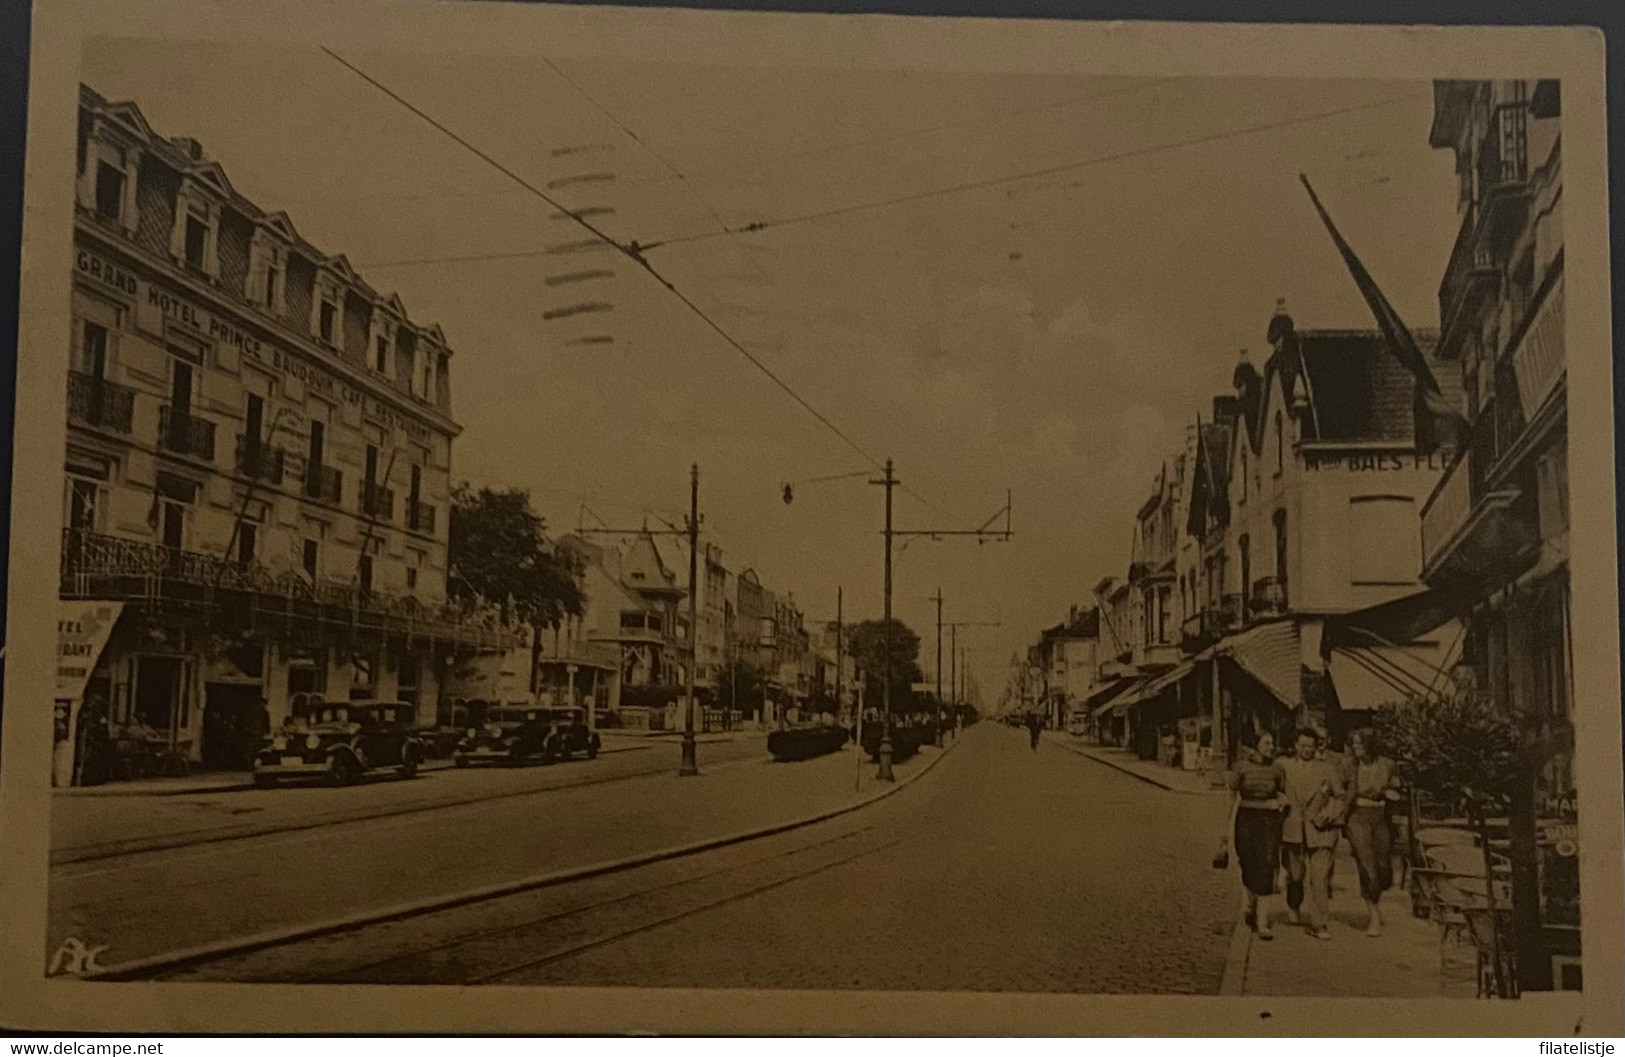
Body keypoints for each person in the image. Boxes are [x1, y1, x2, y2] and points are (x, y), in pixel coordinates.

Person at [1219, 729, 1288, 939]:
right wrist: (1224, 829)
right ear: (1256, 745)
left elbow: (1282, 792)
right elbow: (1231, 798)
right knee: (1248, 862)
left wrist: (1281, 801)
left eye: (1272, 743)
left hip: (1268, 821)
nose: (1271, 747)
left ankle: (1262, 921)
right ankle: (1251, 904)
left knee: (1267, 863)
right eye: (1266, 743)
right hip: (1246, 820)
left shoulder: (1277, 769)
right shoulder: (1241, 768)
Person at [1277, 727, 1344, 940]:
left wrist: (1328, 814)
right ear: (1296, 745)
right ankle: (1294, 903)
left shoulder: (1327, 769)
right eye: (1302, 745)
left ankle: (1320, 925)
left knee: (1319, 879)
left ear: (1317, 747)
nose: (1306, 750)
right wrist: (1280, 800)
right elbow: (1274, 789)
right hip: (1293, 829)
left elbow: (1340, 797)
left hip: (1320, 831)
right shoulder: (1283, 766)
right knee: (1295, 875)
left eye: (1310, 746)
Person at [1340, 728, 1401, 937]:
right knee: (1367, 864)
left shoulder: (1388, 764)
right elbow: (1339, 789)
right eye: (1353, 743)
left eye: (1359, 744)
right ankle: (1373, 916)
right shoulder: (1349, 765)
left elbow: (1397, 786)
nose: (1355, 748)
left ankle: (1376, 897)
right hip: (1357, 816)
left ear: (1370, 745)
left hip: (1381, 815)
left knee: (1383, 867)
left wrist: (1393, 791)